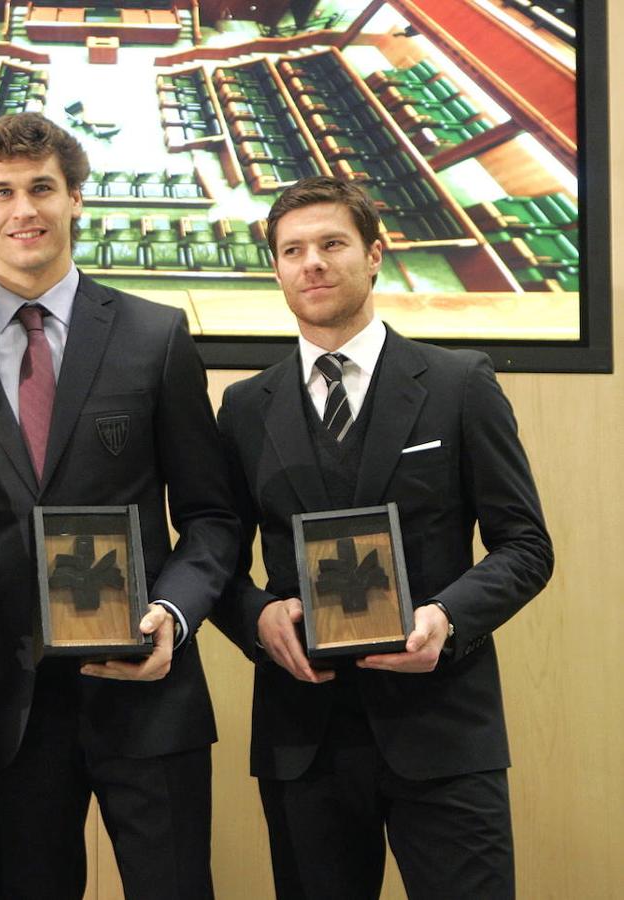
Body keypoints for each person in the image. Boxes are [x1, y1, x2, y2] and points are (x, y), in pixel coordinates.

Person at [0, 112, 240, 899]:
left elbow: (212, 518)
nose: (25, 209)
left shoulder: (155, 337)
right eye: (3, 192)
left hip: (148, 688)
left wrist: (175, 617)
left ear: (77, 199)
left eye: (43, 188)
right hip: (9, 705)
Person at [214, 176, 553, 898]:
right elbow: (216, 551)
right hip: (304, 738)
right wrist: (256, 617)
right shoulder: (244, 408)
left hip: (443, 730)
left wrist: (447, 617)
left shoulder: (460, 385)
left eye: (332, 244)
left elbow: (526, 544)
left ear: (374, 254)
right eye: (293, 250)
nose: (313, 263)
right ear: (275, 268)